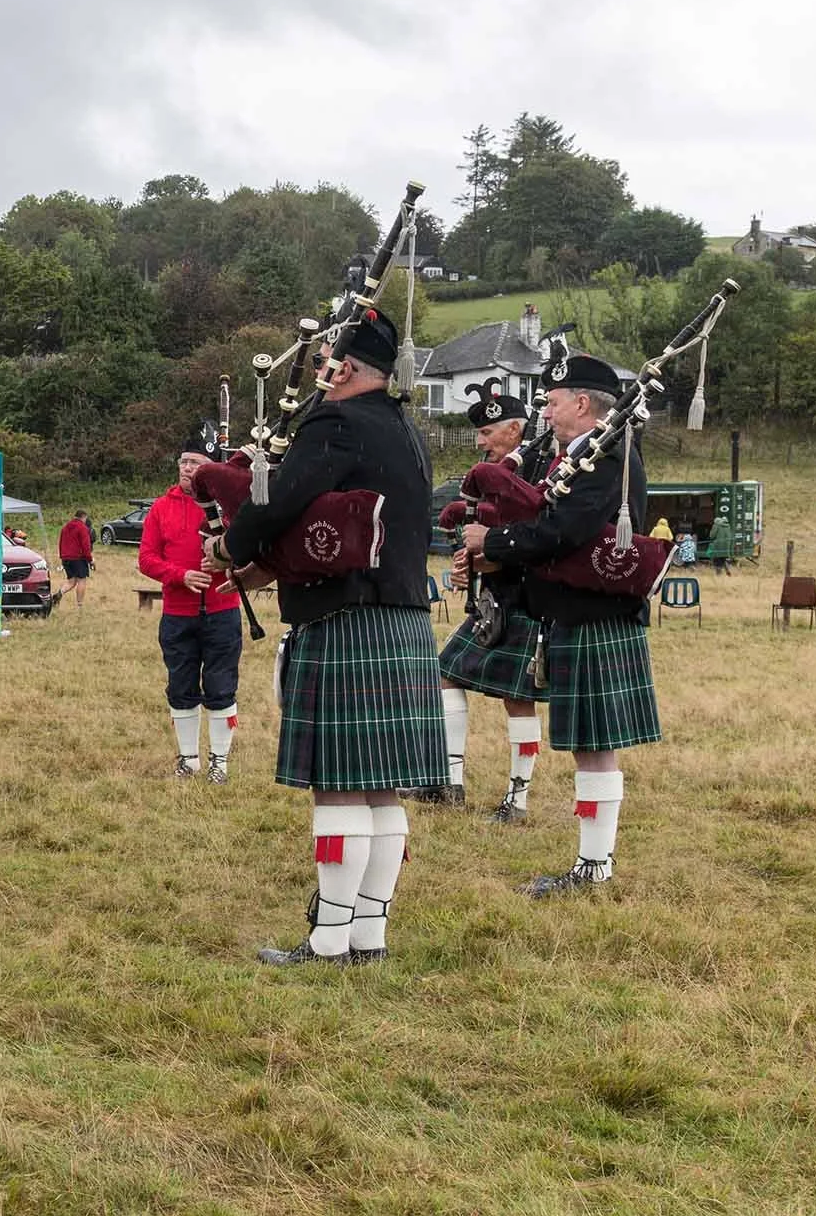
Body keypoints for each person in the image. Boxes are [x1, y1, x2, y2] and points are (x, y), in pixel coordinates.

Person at [217, 312, 437, 967]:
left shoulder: (335, 421)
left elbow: (283, 500)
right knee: (382, 788)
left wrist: (231, 544)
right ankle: (368, 938)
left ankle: (329, 939)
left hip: (346, 617)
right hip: (404, 616)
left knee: (339, 786)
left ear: (347, 369)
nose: (317, 375)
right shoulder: (407, 430)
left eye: (324, 365)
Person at [458, 353, 660, 899]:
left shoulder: (606, 455)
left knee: (595, 744)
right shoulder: (580, 454)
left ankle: (594, 866)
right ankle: (593, 862)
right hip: (576, 613)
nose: (544, 411)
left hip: (595, 615)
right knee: (589, 745)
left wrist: (492, 544)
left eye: (551, 401)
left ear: (581, 403)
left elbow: (563, 530)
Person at [431, 384, 546, 817]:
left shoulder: (539, 469)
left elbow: (539, 530)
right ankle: (450, 783)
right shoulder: (488, 468)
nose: (481, 442)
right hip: (492, 598)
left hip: (528, 596)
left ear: (516, 429)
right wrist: (470, 563)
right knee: (446, 675)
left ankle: (517, 798)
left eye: (488, 432)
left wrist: (491, 552)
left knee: (518, 697)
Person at [137, 442, 243, 782]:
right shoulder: (161, 509)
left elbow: (247, 549)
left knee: (221, 686)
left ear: (210, 468)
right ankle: (188, 759)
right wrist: (179, 576)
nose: (187, 468)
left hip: (222, 610)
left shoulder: (228, 507)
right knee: (180, 686)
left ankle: (220, 763)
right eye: (183, 461)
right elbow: (147, 558)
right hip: (178, 613)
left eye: (195, 463)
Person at [56, 510, 94, 608]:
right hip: (78, 558)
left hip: (66, 558)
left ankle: (59, 594)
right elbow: (86, 546)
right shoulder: (82, 527)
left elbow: (60, 543)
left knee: (71, 581)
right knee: (82, 580)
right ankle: (79, 605)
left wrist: (62, 557)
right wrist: (90, 560)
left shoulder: (65, 527)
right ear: (84, 517)